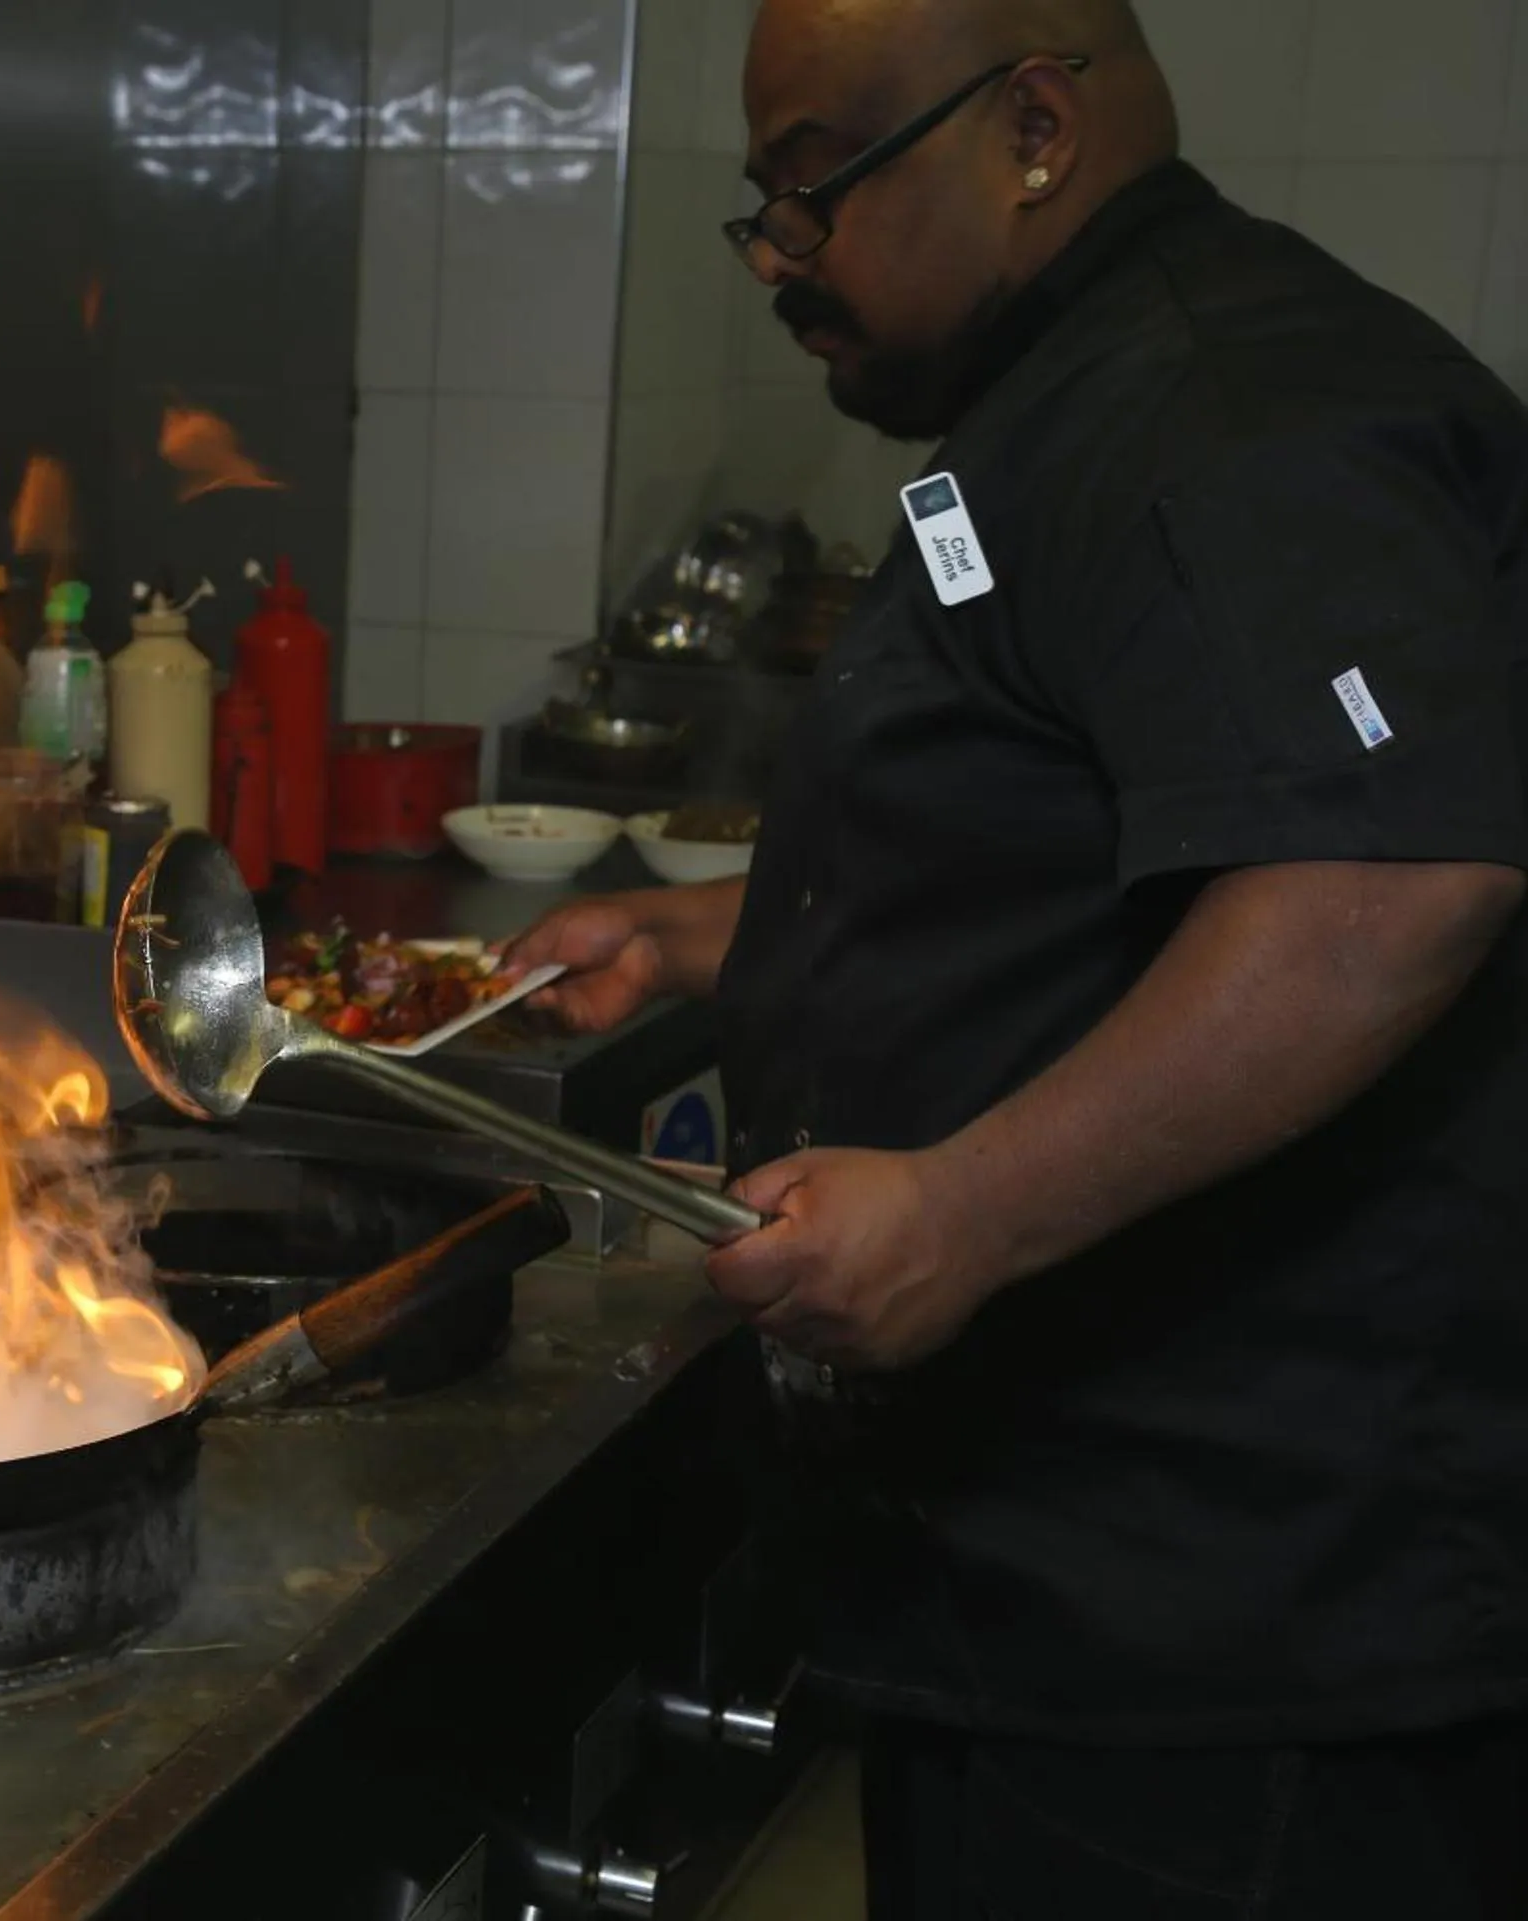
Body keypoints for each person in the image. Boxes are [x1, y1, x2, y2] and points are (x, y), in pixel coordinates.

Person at [506, 0, 1528, 1912]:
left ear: (1034, 128)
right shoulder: (1080, 401)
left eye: (811, 194)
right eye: (765, 209)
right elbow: (1110, 852)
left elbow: (1384, 885)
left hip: (1240, 1634)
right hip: (1077, 1587)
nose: (782, 264)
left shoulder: (1220, 410)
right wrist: (725, 937)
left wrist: (965, 1208)